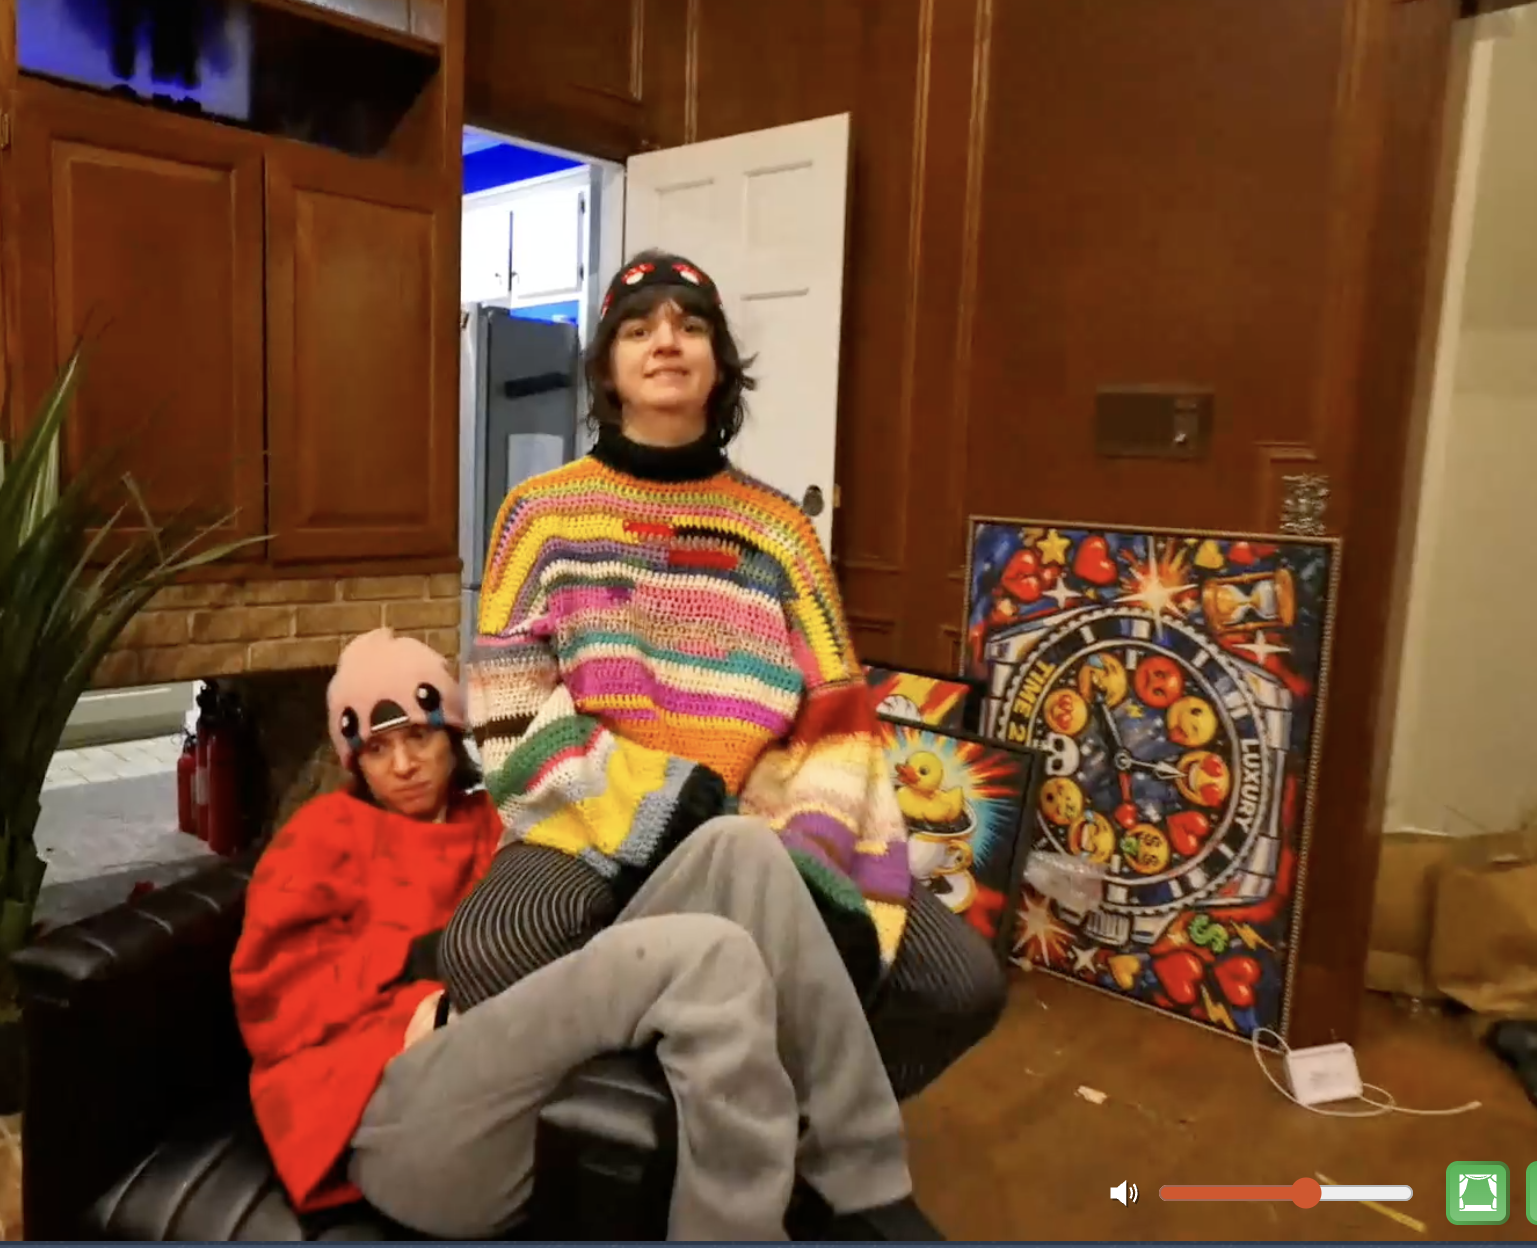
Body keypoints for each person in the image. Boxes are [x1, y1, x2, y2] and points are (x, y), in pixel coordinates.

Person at [451, 250, 1007, 1100]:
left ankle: (793, 1110)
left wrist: (810, 853)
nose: (666, 341)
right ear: (608, 369)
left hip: (762, 825)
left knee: (960, 984)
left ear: (718, 364)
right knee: (485, 950)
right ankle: (657, 1113)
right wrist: (661, 804)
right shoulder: (540, 516)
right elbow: (509, 711)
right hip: (590, 815)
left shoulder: (781, 531)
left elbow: (838, 718)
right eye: (638, 329)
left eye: (691, 325)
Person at [231, 629, 939, 1240]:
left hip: (516, 1090)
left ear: (452, 733)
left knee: (740, 847)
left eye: (419, 736)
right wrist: (413, 994)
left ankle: (861, 1175)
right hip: (403, 1126)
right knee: (707, 958)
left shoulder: (495, 818)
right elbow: (271, 998)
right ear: (355, 760)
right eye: (379, 749)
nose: (404, 764)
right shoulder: (323, 835)